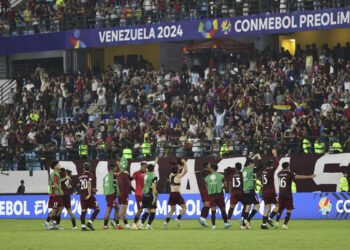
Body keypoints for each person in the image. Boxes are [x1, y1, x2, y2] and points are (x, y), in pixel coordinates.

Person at [275, 162, 315, 229]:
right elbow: (298, 177)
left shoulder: (279, 174)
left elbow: (281, 171)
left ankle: (276, 223)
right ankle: (284, 225)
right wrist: (309, 176)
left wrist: (284, 169)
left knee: (280, 209)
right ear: (288, 167)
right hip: (287, 194)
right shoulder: (290, 173)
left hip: (281, 194)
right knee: (289, 209)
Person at [205, 164, 232, 230]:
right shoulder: (221, 176)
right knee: (223, 210)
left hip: (211, 196)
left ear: (212, 169)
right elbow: (225, 185)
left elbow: (206, 187)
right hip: (219, 195)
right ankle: (226, 224)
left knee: (213, 211)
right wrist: (225, 189)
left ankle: (214, 226)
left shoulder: (207, 177)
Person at [241, 153, 264, 230]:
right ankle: (248, 220)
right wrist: (259, 157)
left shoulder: (243, 169)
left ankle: (243, 225)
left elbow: (246, 163)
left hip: (245, 190)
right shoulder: (251, 170)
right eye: (253, 164)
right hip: (251, 190)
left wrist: (250, 156)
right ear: (250, 164)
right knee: (257, 206)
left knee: (248, 207)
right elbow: (261, 166)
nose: (253, 165)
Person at [164, 158, 188, 229]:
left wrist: (180, 167)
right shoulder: (178, 176)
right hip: (177, 194)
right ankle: (178, 218)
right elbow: (186, 171)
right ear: (177, 171)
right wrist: (184, 162)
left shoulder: (170, 175)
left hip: (171, 194)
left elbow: (175, 170)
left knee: (172, 210)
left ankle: (166, 222)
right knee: (184, 207)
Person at [78, 162, 100, 231]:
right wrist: (90, 193)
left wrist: (92, 189)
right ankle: (90, 222)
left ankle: (83, 226)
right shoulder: (90, 175)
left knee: (84, 210)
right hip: (88, 195)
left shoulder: (80, 176)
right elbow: (89, 182)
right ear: (90, 168)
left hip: (82, 195)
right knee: (97, 209)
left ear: (83, 168)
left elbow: (81, 185)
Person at [261, 149, 279, 230]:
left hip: (264, 192)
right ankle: (270, 218)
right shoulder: (271, 171)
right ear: (271, 165)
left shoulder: (264, 171)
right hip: (271, 192)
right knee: (279, 205)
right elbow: (277, 164)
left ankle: (263, 225)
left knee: (267, 208)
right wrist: (275, 155)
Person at [43, 160, 64, 230]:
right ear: (55, 167)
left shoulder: (56, 173)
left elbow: (58, 181)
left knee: (61, 207)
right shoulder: (55, 174)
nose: (59, 166)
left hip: (57, 195)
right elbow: (55, 184)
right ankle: (46, 223)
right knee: (54, 210)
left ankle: (54, 222)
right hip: (55, 194)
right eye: (58, 164)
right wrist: (60, 190)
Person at [139, 159, 158, 230]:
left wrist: (155, 161)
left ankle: (141, 223)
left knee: (147, 210)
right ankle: (148, 225)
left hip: (145, 194)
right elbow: (153, 186)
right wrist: (154, 196)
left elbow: (152, 168)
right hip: (150, 193)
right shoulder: (154, 176)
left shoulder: (146, 174)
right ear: (153, 169)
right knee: (153, 210)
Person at [115, 159, 134, 229]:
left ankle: (126, 224)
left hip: (119, 193)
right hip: (125, 193)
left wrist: (118, 163)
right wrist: (134, 190)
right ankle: (115, 221)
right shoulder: (126, 174)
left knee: (123, 210)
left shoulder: (118, 175)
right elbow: (129, 184)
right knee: (124, 210)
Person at [130, 161, 149, 230]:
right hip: (139, 194)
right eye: (144, 167)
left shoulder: (147, 173)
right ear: (141, 166)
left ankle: (140, 222)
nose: (145, 168)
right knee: (140, 210)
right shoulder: (136, 173)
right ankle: (134, 225)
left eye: (146, 167)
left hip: (145, 194)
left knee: (148, 209)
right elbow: (130, 179)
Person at [103, 163, 120, 230]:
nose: (116, 170)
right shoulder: (113, 175)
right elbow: (121, 172)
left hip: (108, 194)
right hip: (111, 194)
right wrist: (119, 164)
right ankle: (105, 226)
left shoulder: (105, 176)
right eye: (116, 168)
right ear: (112, 169)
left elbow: (104, 186)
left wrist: (106, 195)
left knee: (117, 208)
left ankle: (117, 224)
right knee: (108, 210)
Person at [198, 162, 211, 227]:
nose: (210, 165)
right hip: (206, 189)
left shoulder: (202, 172)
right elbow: (207, 182)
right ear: (207, 166)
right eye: (209, 165)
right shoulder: (208, 173)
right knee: (208, 205)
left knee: (205, 205)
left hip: (201, 189)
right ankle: (203, 219)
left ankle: (201, 218)